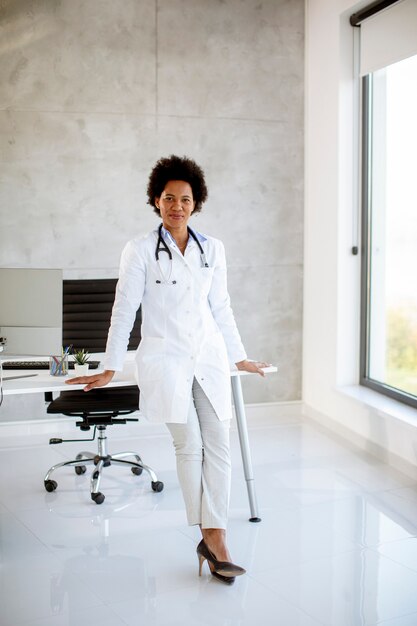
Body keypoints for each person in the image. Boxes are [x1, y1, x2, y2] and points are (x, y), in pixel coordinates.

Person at [67, 155, 268, 584]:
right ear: (155, 201)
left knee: (219, 445)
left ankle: (215, 538)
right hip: (165, 360)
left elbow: (222, 307)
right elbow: (124, 311)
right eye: (168, 198)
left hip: (208, 357)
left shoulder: (212, 249)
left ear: (196, 204)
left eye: (185, 199)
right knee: (189, 445)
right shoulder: (140, 249)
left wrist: (239, 356)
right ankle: (213, 537)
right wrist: (110, 365)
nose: (177, 206)